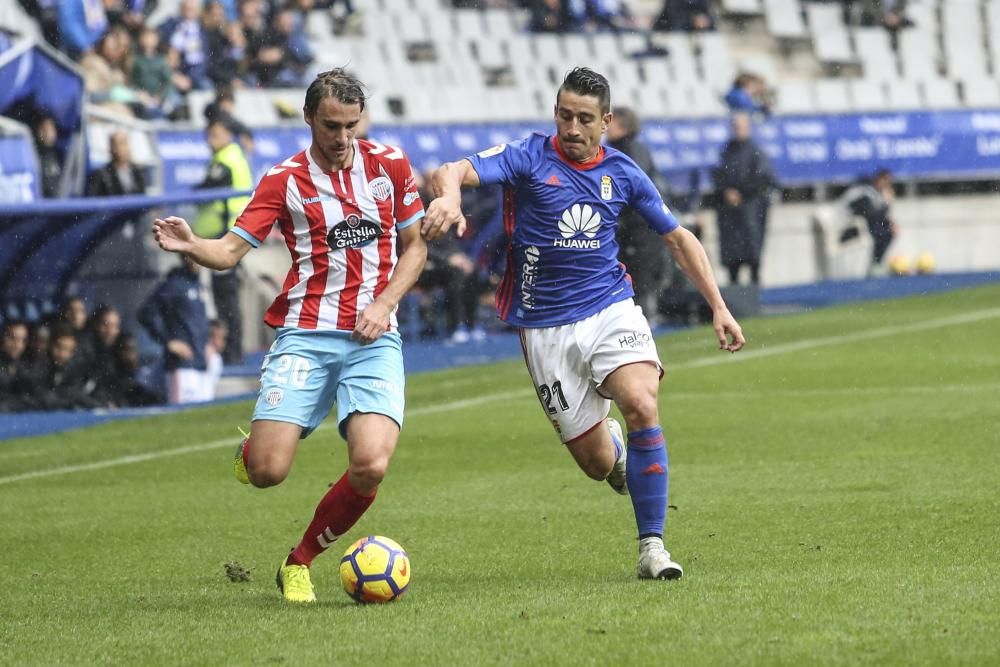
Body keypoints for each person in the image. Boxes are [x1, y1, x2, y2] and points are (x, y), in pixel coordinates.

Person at [424, 67, 745, 581]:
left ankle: (653, 547)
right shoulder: (529, 156)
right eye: (564, 116)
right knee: (597, 464)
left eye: (584, 119)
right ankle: (614, 450)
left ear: (606, 122)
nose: (572, 128)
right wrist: (449, 197)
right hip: (544, 326)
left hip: (610, 307)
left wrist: (719, 306)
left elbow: (679, 238)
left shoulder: (624, 172)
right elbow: (451, 170)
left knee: (641, 401)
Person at [150, 68, 427, 603]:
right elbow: (229, 253)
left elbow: (415, 247)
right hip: (305, 334)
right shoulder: (284, 180)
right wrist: (191, 245)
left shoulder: (389, 165)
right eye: (330, 125)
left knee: (370, 465)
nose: (343, 138)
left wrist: (385, 302)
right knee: (266, 472)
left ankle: (299, 561)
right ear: (308, 118)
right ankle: (256, 444)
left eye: (351, 125)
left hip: (374, 337)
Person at [193, 119, 253, 364]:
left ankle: (232, 353)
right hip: (224, 237)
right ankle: (230, 350)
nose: (210, 140)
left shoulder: (227, 160)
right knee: (224, 298)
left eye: (216, 134)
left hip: (225, 239)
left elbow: (207, 187)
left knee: (226, 298)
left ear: (228, 133)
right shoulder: (226, 156)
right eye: (209, 135)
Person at [606, 106, 671, 325]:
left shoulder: (627, 152)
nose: (606, 125)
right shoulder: (632, 150)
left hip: (638, 229)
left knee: (639, 280)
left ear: (623, 125)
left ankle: (643, 323)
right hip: (635, 228)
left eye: (612, 121)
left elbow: (631, 189)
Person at [712, 112, 777, 285]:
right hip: (730, 212)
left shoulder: (756, 152)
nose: (738, 129)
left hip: (750, 209)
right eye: (735, 126)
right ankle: (734, 292)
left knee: (752, 250)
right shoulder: (726, 152)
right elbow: (718, 175)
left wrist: (742, 192)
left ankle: (755, 288)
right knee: (732, 253)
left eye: (741, 125)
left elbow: (764, 179)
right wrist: (727, 191)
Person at [137, 254, 211, 404]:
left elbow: (198, 322)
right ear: (185, 258)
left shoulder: (198, 285)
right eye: (193, 255)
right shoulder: (174, 285)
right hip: (182, 366)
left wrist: (207, 342)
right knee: (184, 417)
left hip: (201, 362)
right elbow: (145, 313)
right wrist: (168, 341)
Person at [837, 168, 898, 276]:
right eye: (886, 181)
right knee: (881, 232)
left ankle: (876, 263)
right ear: (879, 179)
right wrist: (886, 205)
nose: (887, 184)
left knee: (886, 232)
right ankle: (876, 263)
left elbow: (876, 215)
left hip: (861, 225)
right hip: (846, 229)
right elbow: (868, 213)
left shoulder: (875, 192)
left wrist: (890, 222)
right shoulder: (865, 190)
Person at [87, 131, 147, 196]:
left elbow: (143, 199)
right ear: (110, 148)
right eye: (116, 144)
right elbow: (95, 201)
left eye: (123, 143)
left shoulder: (138, 172)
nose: (119, 149)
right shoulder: (101, 175)